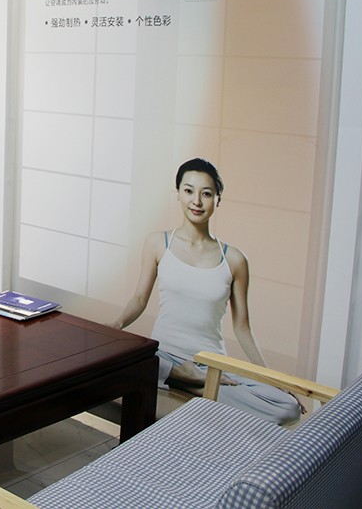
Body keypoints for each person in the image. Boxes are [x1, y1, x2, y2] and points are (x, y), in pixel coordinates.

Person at [111, 157, 302, 425]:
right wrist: (115, 327)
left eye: (207, 194)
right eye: (189, 191)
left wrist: (271, 378)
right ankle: (179, 376)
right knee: (133, 358)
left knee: (287, 407)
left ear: (218, 199)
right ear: (178, 193)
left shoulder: (234, 260)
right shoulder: (158, 243)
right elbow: (140, 298)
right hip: (164, 355)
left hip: (211, 364)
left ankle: (192, 382)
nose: (197, 201)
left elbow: (242, 327)